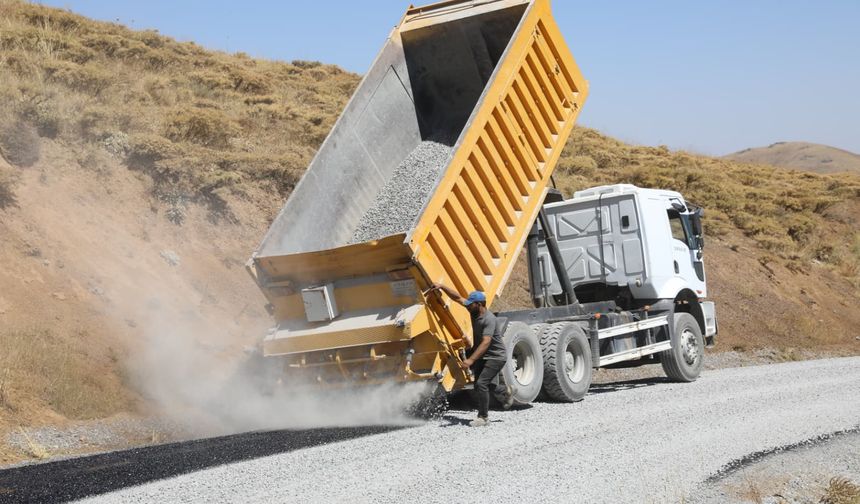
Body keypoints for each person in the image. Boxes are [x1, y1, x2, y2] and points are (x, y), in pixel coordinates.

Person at [431, 283, 511, 427]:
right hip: (483, 355)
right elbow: (457, 298)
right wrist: (442, 286)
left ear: (479, 304)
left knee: (481, 384)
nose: (467, 306)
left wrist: (471, 360)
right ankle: (505, 392)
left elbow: (486, 342)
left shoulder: (489, 319)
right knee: (480, 385)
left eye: (470, 304)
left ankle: (483, 417)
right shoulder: (473, 311)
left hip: (496, 356)